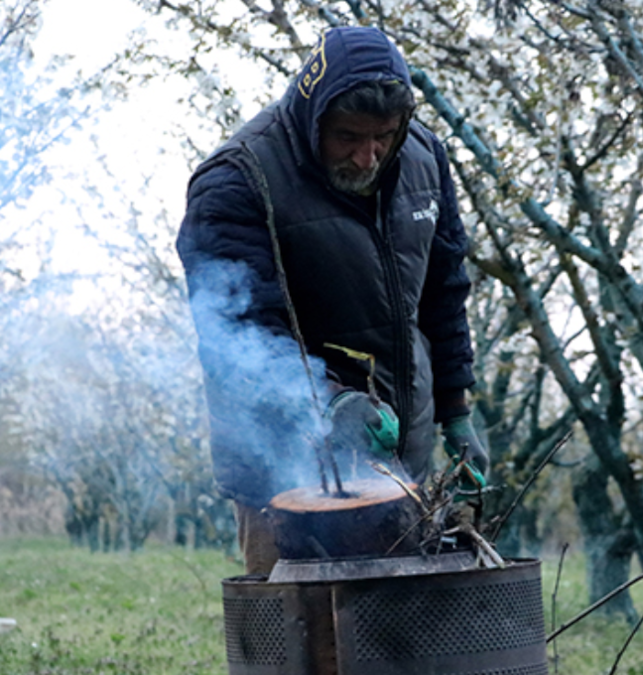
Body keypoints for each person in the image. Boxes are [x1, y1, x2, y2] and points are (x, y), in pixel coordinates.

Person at [177, 26, 488, 576]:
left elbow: (445, 290)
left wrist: (456, 411)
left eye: (383, 136)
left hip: (398, 462)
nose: (368, 157)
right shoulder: (237, 181)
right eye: (347, 136)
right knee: (303, 638)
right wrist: (329, 402)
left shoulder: (423, 158)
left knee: (399, 641)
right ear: (312, 116)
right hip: (283, 472)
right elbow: (237, 332)